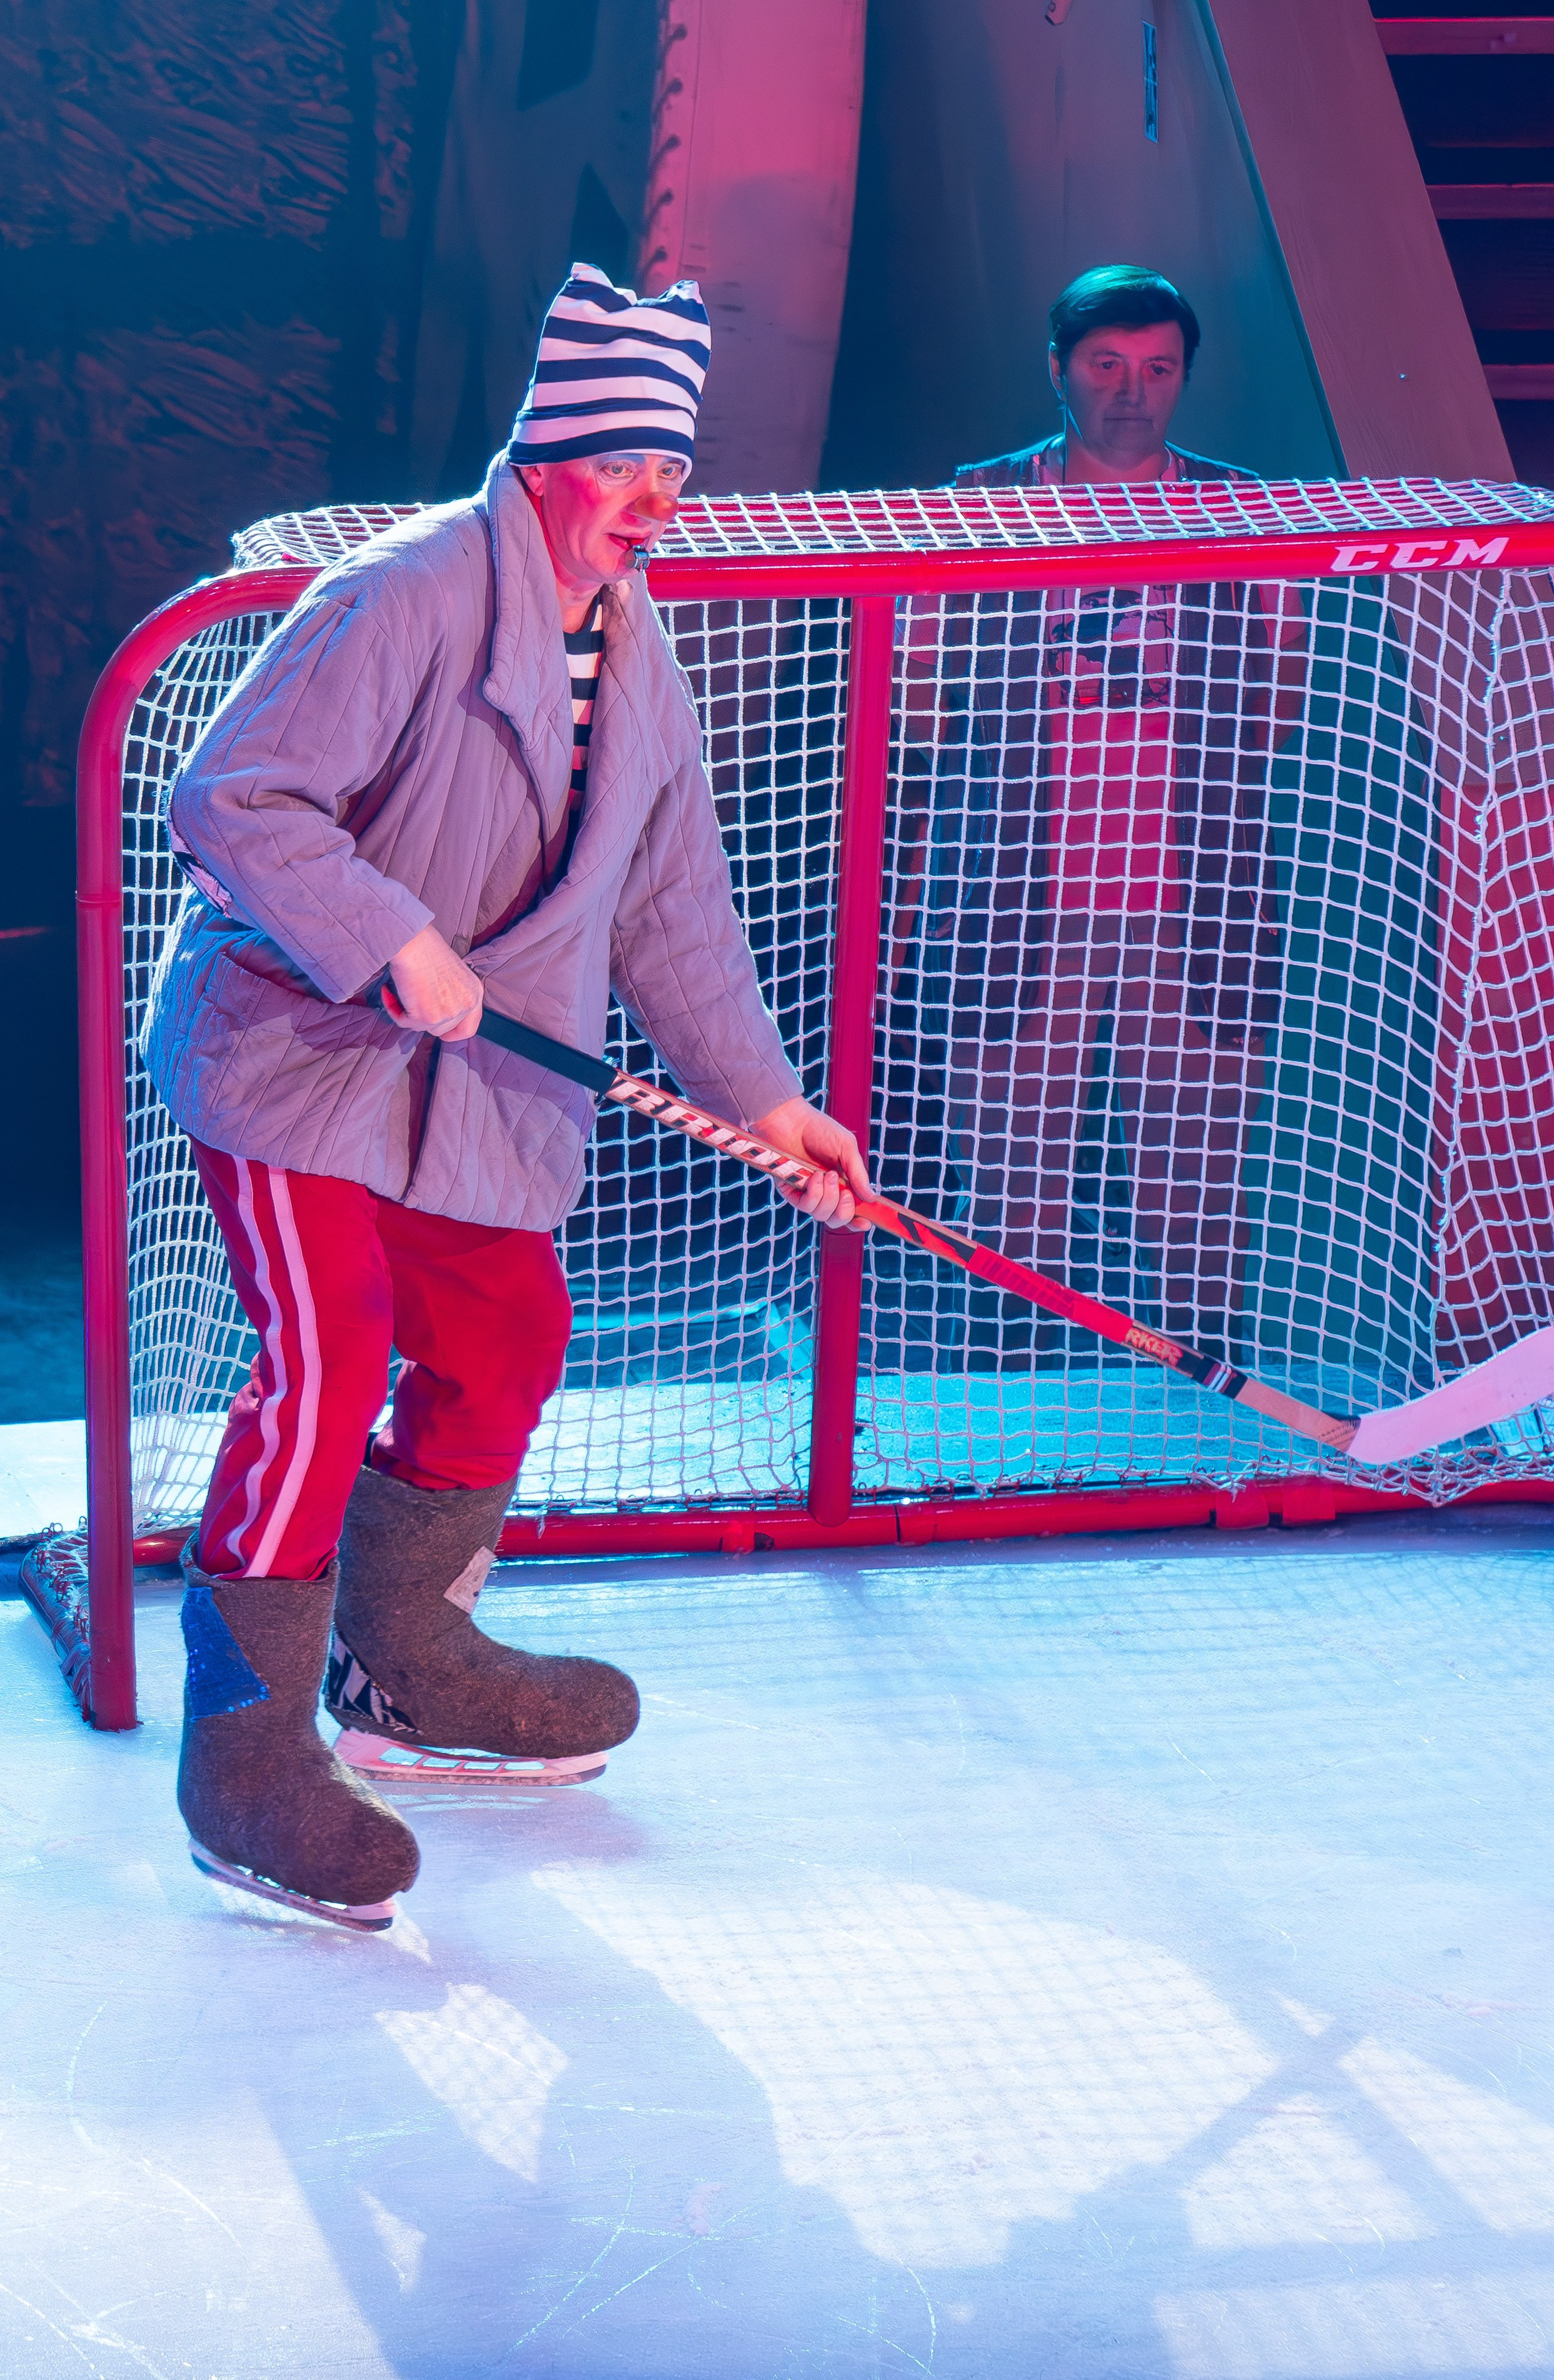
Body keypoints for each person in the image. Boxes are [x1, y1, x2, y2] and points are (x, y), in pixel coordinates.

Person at [144, 263, 869, 1931]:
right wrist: (386, 931)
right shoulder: (395, 596)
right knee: (326, 1355)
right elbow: (230, 797)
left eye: (671, 478)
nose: (649, 509)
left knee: (506, 1339)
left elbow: (669, 905)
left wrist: (764, 1102)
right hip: (298, 1063)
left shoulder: (635, 645)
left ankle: (398, 1664)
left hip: (478, 1091)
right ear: (547, 453)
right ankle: (242, 1753)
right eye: (625, 472)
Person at [903, 265, 1305, 1364]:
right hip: (1015, 891)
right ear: (1059, 370)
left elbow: (1276, 703)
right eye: (1107, 365)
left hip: (1192, 897)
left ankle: (1204, 1396)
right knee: (1010, 1169)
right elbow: (921, 695)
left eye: (1158, 369)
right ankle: (1003, 1390)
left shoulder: (1244, 512)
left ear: (1183, 379)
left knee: (1194, 1174)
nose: (1133, 390)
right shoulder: (981, 503)